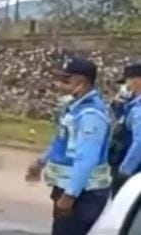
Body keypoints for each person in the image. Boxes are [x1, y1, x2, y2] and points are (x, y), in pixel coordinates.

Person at [25, 57, 112, 235]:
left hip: (85, 193)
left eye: (66, 80)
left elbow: (87, 158)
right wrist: (41, 161)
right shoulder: (74, 108)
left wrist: (70, 194)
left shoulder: (90, 114)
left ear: (81, 82)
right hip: (70, 187)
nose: (60, 84)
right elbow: (62, 140)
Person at [111, 63, 141, 195]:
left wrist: (125, 170)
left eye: (128, 81)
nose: (126, 86)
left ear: (137, 80)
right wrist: (118, 106)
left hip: (133, 169)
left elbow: (139, 142)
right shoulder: (133, 103)